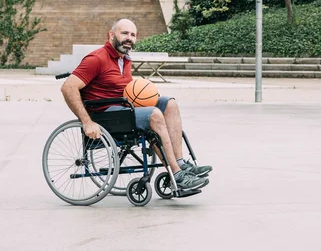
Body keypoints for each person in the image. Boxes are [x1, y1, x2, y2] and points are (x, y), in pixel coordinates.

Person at [61, 18, 212, 190]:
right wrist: (87, 122)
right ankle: (177, 175)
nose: (129, 38)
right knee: (154, 115)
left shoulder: (125, 59)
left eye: (133, 35)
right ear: (111, 35)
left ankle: (180, 164)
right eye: (124, 33)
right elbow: (68, 87)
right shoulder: (96, 58)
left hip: (125, 109)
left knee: (169, 104)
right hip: (106, 115)